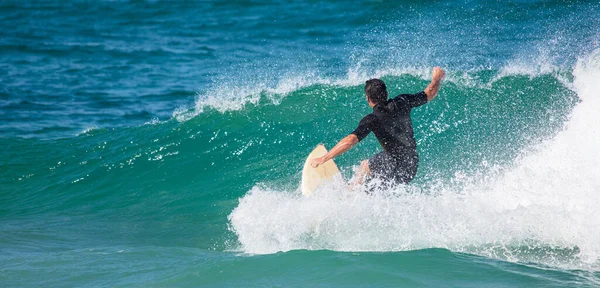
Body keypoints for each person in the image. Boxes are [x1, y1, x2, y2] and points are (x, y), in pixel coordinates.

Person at [310, 67, 445, 187]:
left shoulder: (372, 119)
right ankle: (357, 192)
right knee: (369, 176)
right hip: (412, 164)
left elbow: (350, 141)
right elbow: (430, 93)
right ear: (386, 94)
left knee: (365, 173)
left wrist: (324, 158)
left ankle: (349, 194)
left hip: (394, 163)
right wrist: (437, 78)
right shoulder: (402, 101)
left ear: (368, 99)